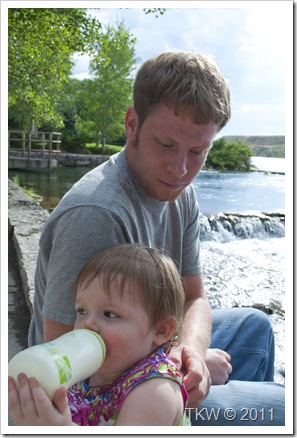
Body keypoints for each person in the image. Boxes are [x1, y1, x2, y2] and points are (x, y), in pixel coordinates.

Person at [28, 51, 285, 426]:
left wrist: (191, 351)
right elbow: (71, 361)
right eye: (166, 145)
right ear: (132, 123)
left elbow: (194, 295)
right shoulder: (95, 215)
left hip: (145, 347)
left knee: (254, 325)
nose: (181, 169)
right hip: (99, 401)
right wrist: (170, 367)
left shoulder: (179, 189)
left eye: (198, 151)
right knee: (283, 406)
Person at [9, 243, 190, 426]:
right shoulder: (84, 370)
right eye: (82, 311)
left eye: (110, 314)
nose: (87, 323)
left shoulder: (155, 392)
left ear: (161, 330)